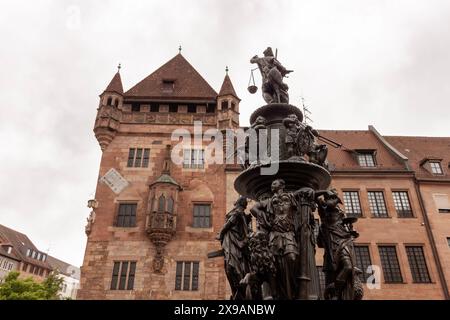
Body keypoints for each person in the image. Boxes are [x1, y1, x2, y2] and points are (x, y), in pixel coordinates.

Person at [217, 196, 252, 300]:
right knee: (232, 267)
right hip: (233, 242)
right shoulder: (240, 214)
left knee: (232, 268)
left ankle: (239, 291)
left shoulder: (237, 213)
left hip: (234, 243)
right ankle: (238, 291)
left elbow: (226, 227)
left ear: (238, 203)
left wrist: (220, 235)